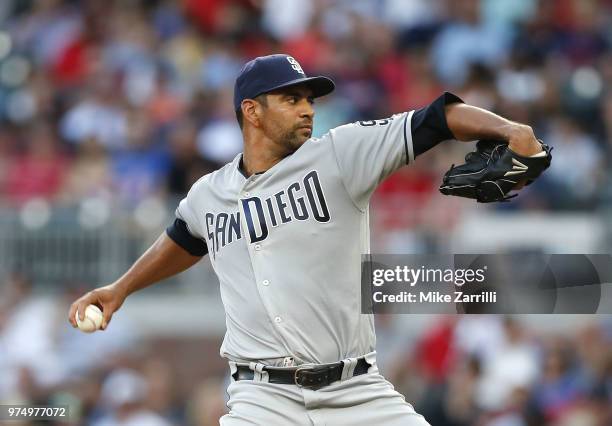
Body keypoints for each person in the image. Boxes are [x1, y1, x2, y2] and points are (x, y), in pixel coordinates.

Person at [69, 54, 543, 425]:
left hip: (355, 391)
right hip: (262, 398)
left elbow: (437, 119)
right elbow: (186, 239)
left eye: (309, 99)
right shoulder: (208, 194)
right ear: (251, 111)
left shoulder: (341, 153)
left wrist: (511, 130)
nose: (306, 108)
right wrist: (121, 288)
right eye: (291, 99)